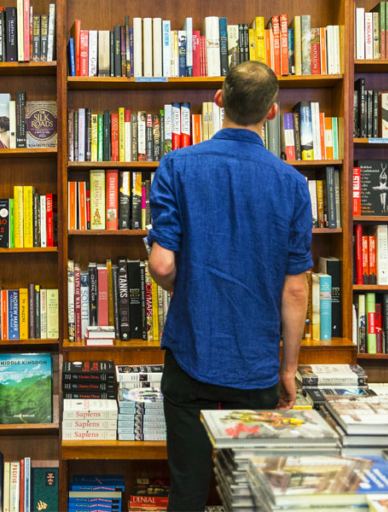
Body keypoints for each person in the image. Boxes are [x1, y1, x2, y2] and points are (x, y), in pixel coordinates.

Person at [147, 61, 313, 511]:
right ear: (272, 113)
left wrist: (190, 286)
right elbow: (295, 291)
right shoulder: (294, 185)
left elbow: (162, 264)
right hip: (256, 365)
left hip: (190, 356)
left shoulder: (176, 166)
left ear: (219, 100)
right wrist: (288, 369)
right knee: (250, 495)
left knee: (187, 490)